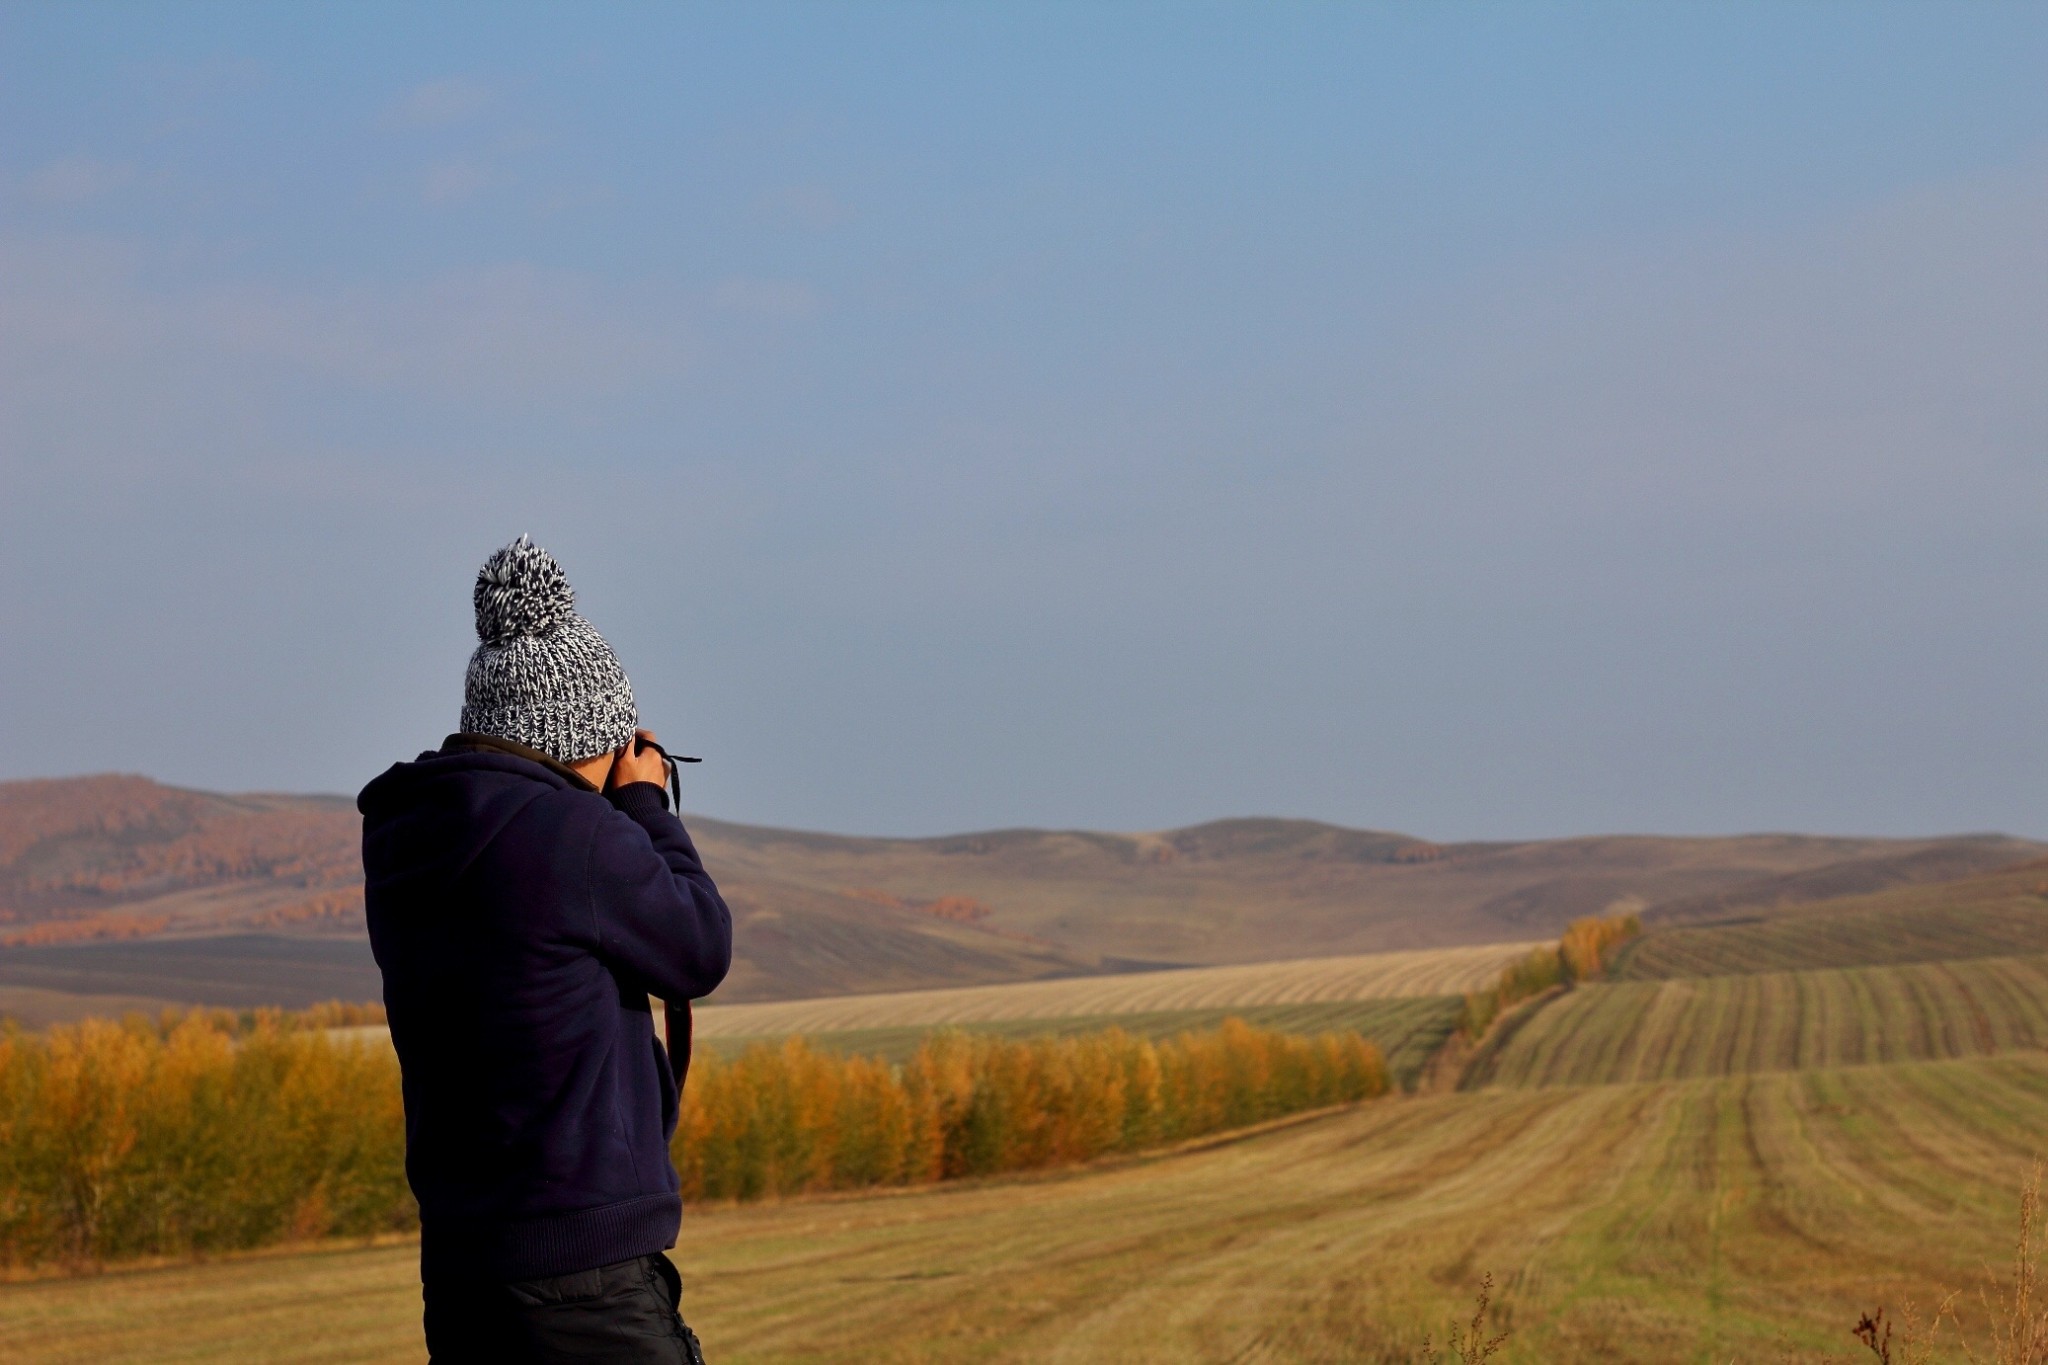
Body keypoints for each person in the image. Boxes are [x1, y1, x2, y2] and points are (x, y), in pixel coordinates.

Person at [358, 535, 731, 1364]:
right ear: (582, 734)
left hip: (461, 1273)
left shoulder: (407, 836)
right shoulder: (573, 838)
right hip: (586, 1277)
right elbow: (699, 947)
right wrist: (646, 806)